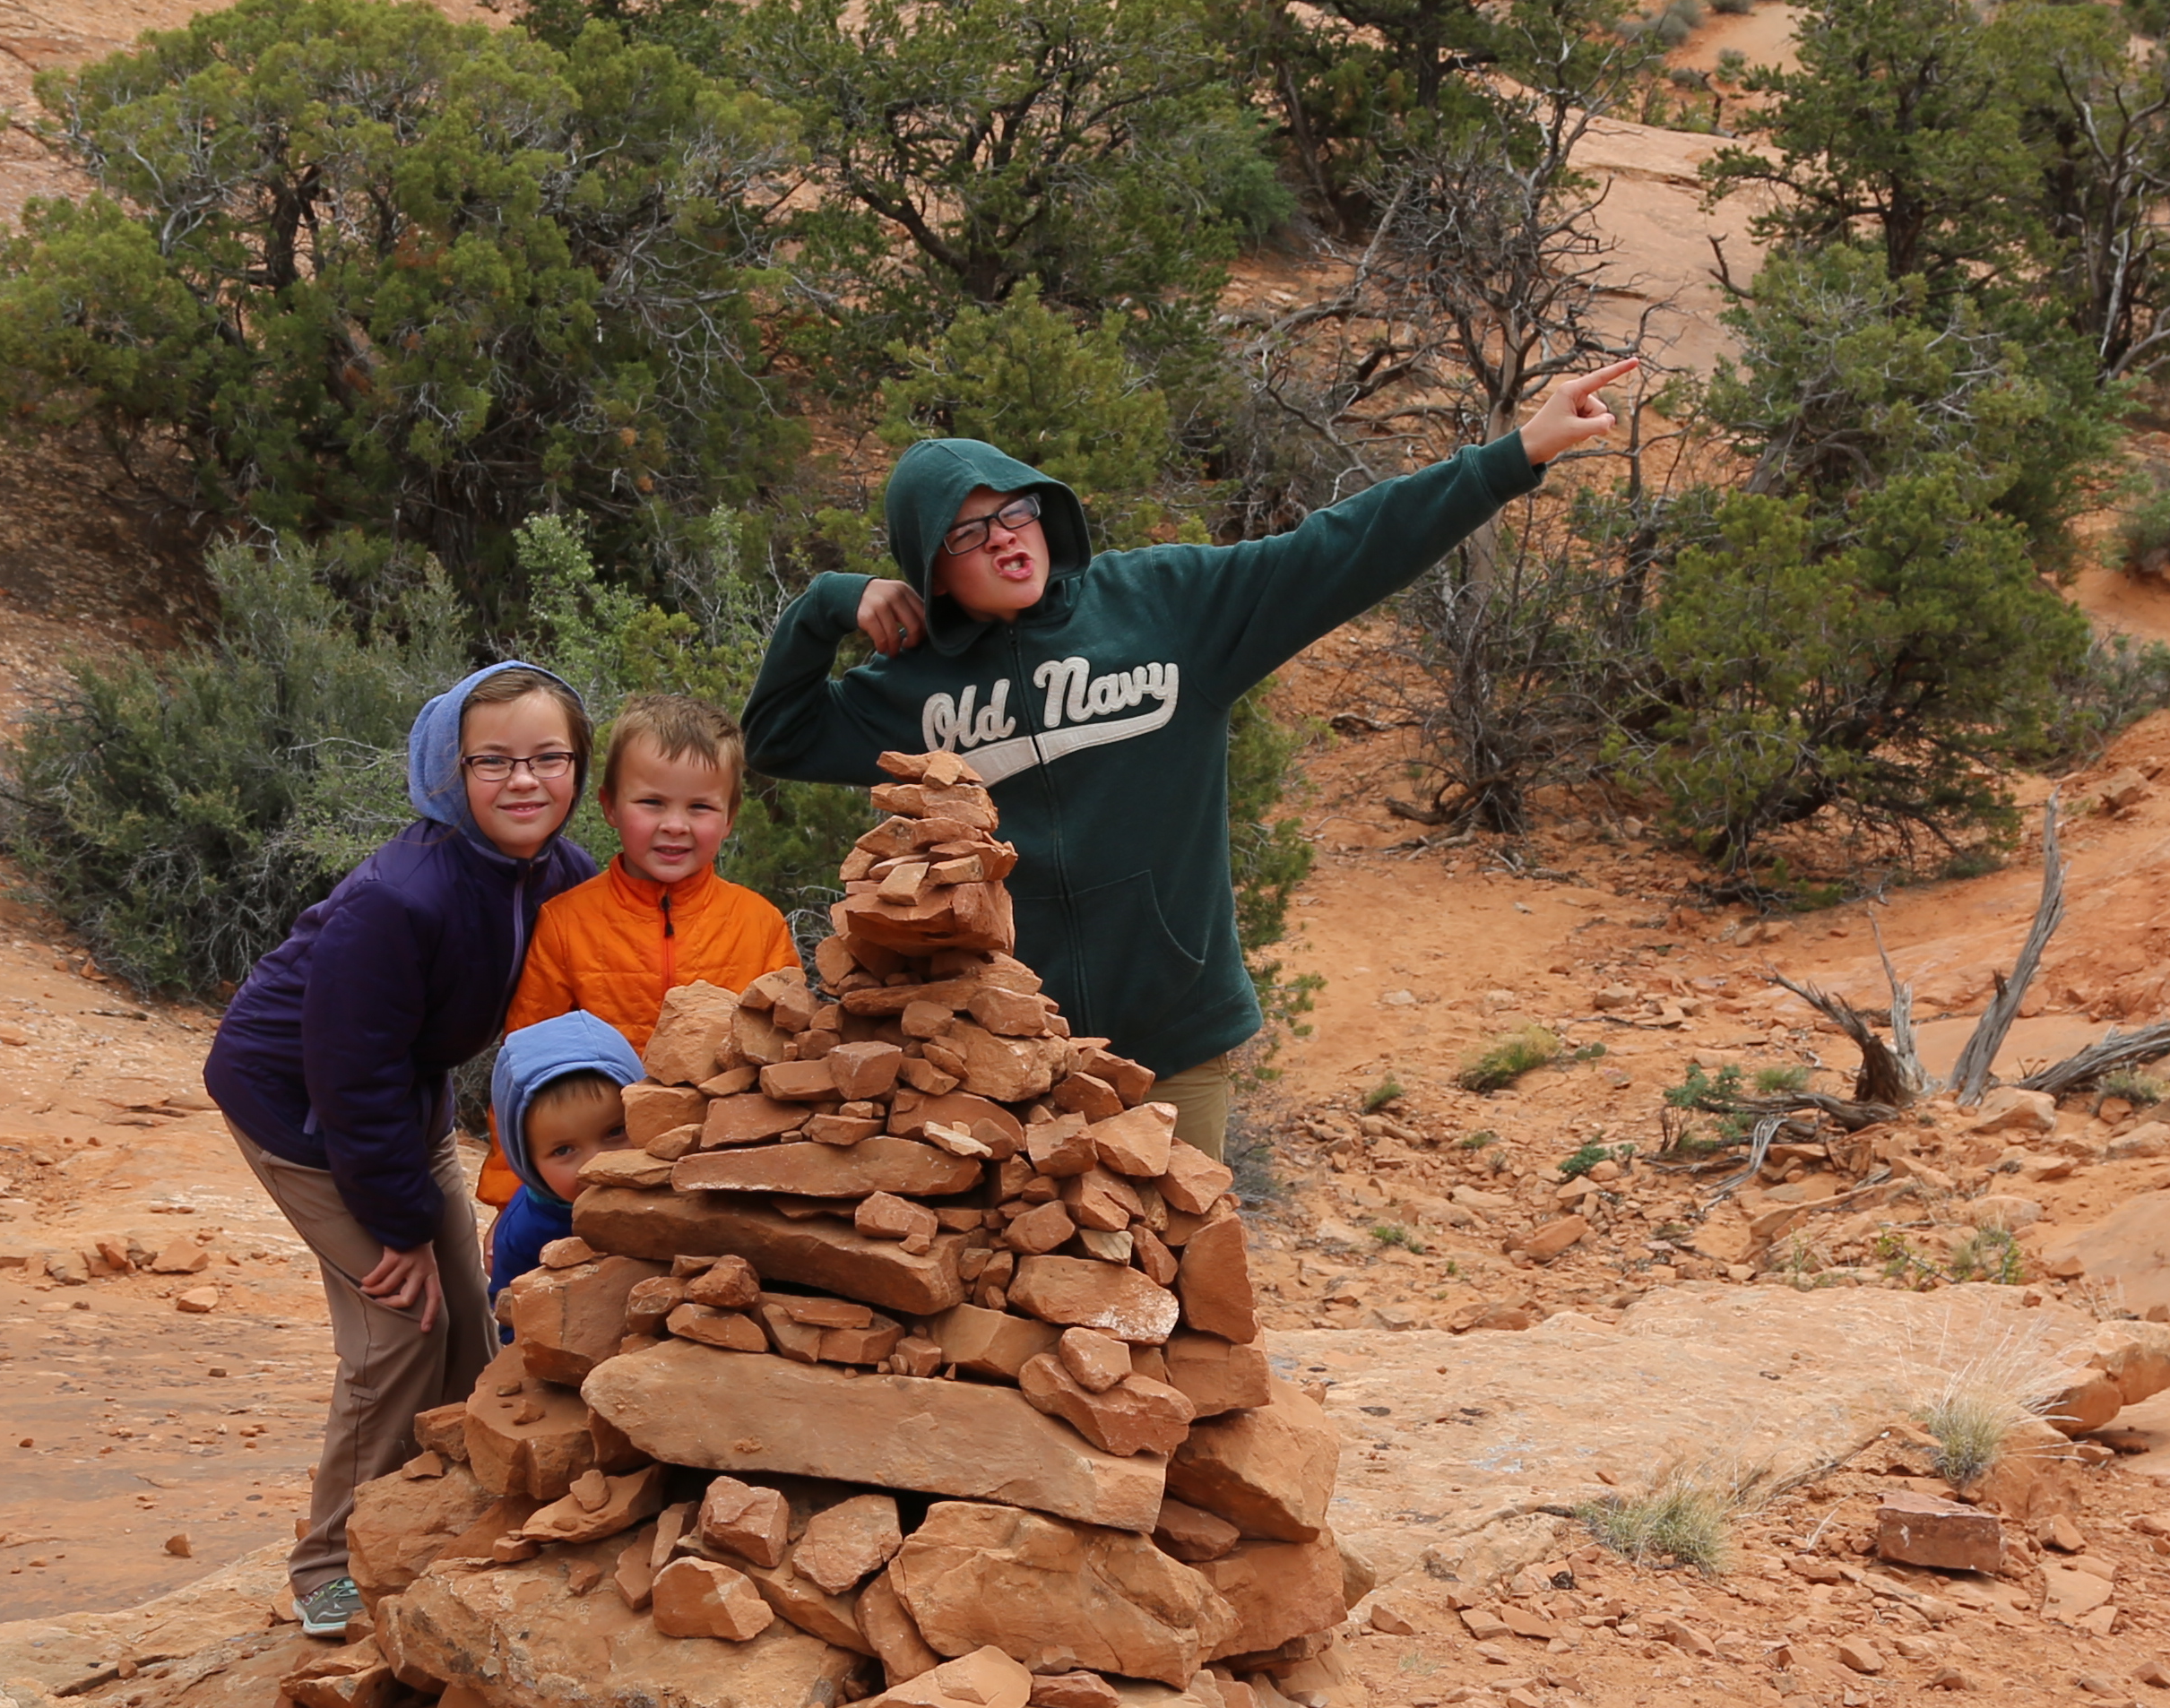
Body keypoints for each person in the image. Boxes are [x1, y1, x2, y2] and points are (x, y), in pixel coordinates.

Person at [744, 359, 1640, 1162]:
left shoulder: (1167, 607)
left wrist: (1515, 454)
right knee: (1025, 1314)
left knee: (1171, 1306)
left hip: (1171, 1040)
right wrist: (827, 606)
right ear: (929, 570)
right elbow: (776, 735)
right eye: (968, 536)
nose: (1008, 540)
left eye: (1015, 512)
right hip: (1003, 1059)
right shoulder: (909, 690)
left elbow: (1340, 549)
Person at [204, 658, 595, 1638]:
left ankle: (430, 1520)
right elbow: (348, 1078)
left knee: (470, 1320)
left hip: (395, 1098)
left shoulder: (559, 873)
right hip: (298, 1106)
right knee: (400, 1328)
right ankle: (332, 1564)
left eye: (549, 757)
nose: (524, 781)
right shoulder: (402, 898)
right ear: (446, 771)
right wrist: (399, 1227)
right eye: (492, 760)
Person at [474, 692, 797, 1230]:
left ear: (730, 816)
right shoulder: (567, 921)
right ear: (609, 805)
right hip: (586, 1178)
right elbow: (523, 1070)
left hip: (713, 1177)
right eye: (651, 803)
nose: (675, 825)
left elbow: (787, 1059)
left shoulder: (759, 924)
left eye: (699, 807)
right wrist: (511, 1198)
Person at [476, 1010, 647, 1302]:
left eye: (616, 1131)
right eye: (564, 1150)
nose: (597, 1164)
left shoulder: (673, 1193)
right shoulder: (524, 1231)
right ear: (527, 1162)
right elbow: (510, 1319)